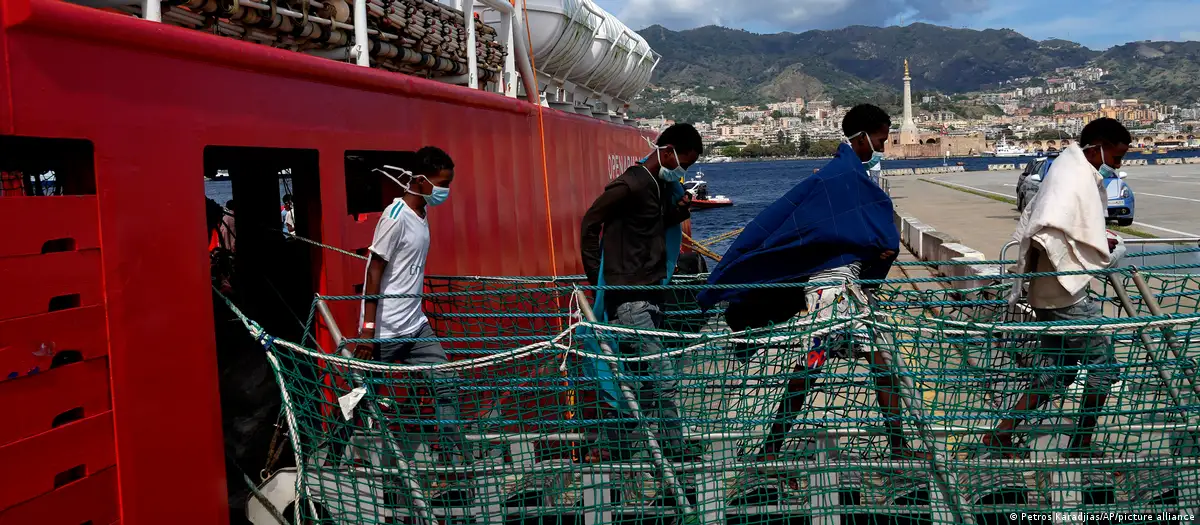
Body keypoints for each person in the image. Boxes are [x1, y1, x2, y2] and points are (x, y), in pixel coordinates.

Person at [698, 104, 928, 462]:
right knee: (830, 364)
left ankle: (777, 447)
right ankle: (891, 446)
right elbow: (859, 235)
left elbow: (800, 225)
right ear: (863, 136)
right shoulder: (842, 180)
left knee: (846, 363)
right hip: (834, 294)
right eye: (880, 140)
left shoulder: (835, 179)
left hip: (839, 292)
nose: (882, 148)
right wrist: (877, 249)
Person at [989, 118, 1130, 457]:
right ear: (1097, 146)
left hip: (1048, 291)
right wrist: (1094, 247)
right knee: (1103, 368)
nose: (1118, 164)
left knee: (1057, 371)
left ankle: (1002, 433)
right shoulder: (1073, 176)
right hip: (1064, 291)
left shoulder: (1069, 167)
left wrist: (1091, 242)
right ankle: (1081, 443)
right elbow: (1051, 226)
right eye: (1116, 156)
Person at [579, 123, 702, 461]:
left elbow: (649, 225)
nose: (682, 173)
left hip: (651, 295)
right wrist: (597, 277)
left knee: (638, 378)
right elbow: (591, 221)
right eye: (683, 165)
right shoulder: (630, 184)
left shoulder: (658, 186)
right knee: (661, 376)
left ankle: (613, 444)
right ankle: (674, 451)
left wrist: (678, 210)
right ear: (668, 151)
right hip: (630, 299)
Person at [352, 146, 465, 463]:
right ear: (420, 180)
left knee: (446, 381)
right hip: (386, 330)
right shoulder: (395, 217)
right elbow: (375, 270)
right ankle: (339, 451)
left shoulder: (422, 213)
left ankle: (450, 454)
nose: (445, 191)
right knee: (361, 393)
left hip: (415, 325)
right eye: (442, 183)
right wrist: (368, 329)